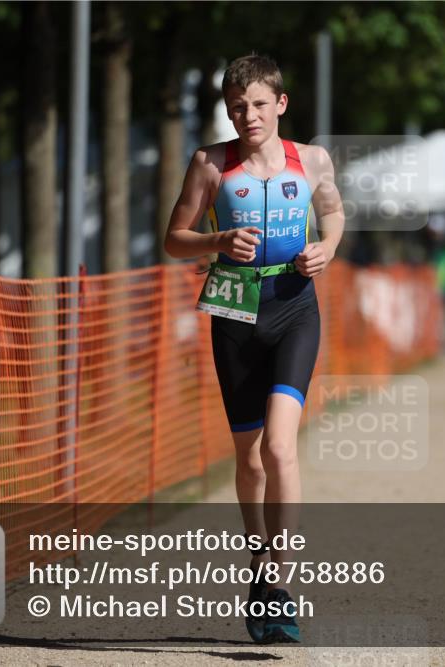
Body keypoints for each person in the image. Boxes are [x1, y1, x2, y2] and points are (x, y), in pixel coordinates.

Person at [163, 54, 344, 644]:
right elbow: (174, 238)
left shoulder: (312, 160)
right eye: (238, 107)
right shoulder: (210, 164)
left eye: (260, 104)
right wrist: (217, 238)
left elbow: (334, 213)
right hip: (235, 313)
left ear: (281, 104)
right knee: (248, 460)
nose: (249, 116)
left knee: (281, 449)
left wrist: (328, 249)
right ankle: (259, 569)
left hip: (294, 308)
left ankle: (279, 584)